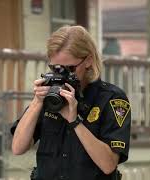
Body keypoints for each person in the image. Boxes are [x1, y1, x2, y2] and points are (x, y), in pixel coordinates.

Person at [10, 25, 131, 180]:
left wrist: (75, 121)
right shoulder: (51, 95)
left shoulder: (111, 98)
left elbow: (108, 165)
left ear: (88, 61)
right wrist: (37, 102)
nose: (64, 74)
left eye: (70, 68)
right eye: (56, 68)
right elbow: (18, 147)